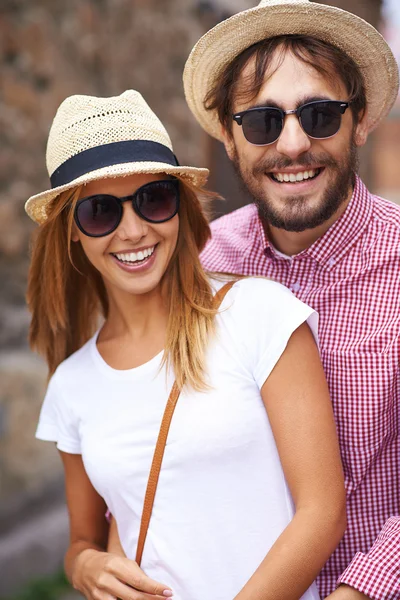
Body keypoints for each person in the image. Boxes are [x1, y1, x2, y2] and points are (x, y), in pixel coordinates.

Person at [27, 90, 346, 600]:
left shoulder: (258, 314)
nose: (133, 231)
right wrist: (83, 564)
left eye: (154, 199)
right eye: (100, 212)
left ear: (179, 206)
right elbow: (85, 539)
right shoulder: (72, 384)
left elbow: (322, 513)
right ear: (70, 230)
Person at [179, 1, 400, 599]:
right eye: (262, 122)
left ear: (360, 123)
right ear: (229, 137)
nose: (294, 143)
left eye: (321, 114)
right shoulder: (203, 267)